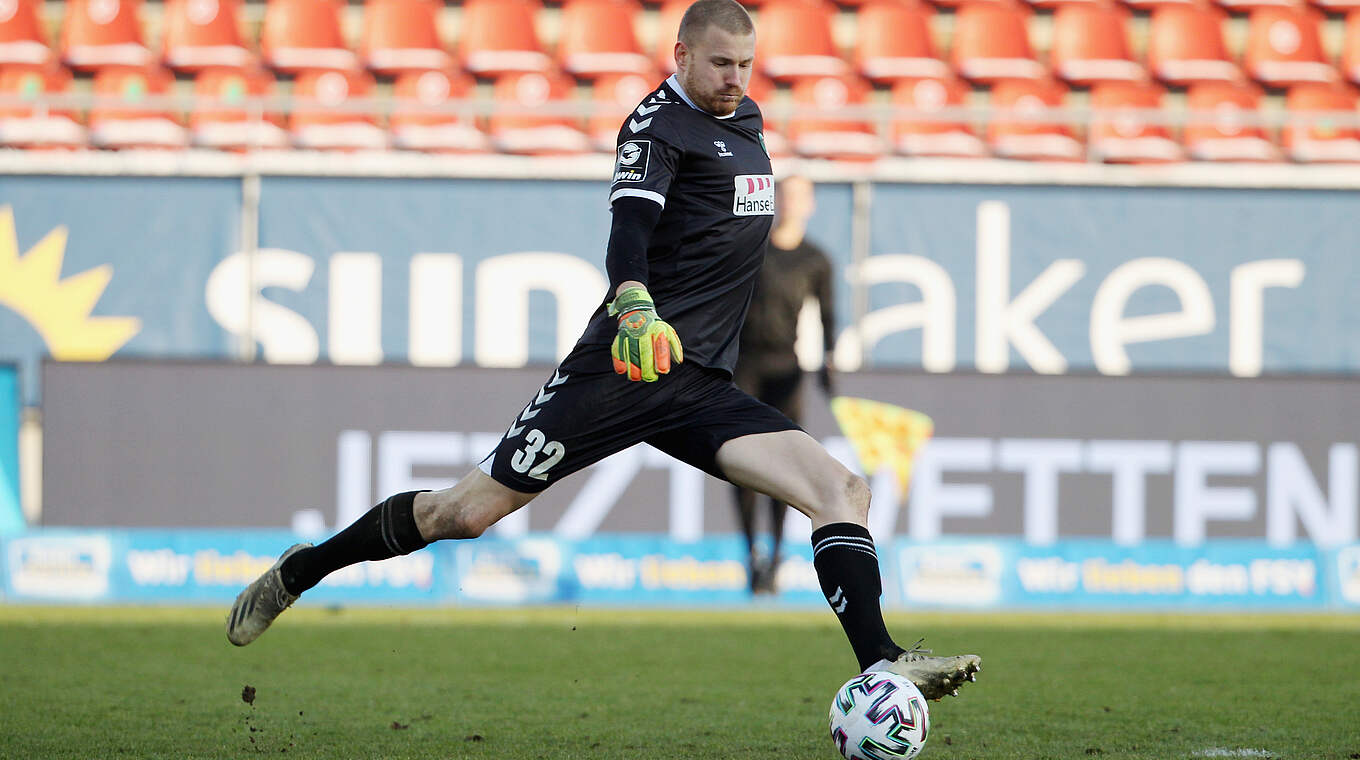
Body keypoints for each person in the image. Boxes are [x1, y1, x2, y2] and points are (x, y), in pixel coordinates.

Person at [226, 0, 980, 701]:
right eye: (720, 64)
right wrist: (634, 305)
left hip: (696, 386)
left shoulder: (744, 118)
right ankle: (300, 571)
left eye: (746, 65)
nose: (735, 79)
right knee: (462, 513)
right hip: (624, 366)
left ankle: (881, 659)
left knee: (842, 491)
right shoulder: (655, 129)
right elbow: (629, 229)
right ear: (680, 54)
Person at [731, 174, 837, 595]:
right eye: (784, 195)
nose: (791, 203)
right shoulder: (753, 249)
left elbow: (829, 314)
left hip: (785, 369)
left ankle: (775, 556)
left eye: (799, 196)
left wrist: (829, 361)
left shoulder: (815, 260)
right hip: (743, 366)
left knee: (784, 466)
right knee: (741, 465)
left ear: (810, 204)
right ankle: (750, 554)